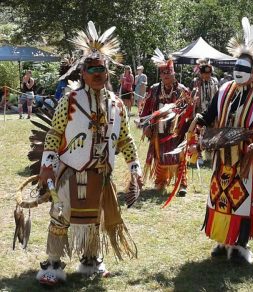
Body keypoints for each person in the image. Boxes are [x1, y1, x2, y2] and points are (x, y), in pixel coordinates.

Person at [36, 21, 142, 286]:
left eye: (101, 68)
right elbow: (54, 134)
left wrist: (135, 168)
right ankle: (53, 263)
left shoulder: (117, 105)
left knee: (95, 219)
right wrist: (47, 165)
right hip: (70, 170)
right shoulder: (70, 101)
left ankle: (90, 259)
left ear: (108, 72)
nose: (97, 73)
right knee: (61, 217)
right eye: (91, 68)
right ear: (82, 72)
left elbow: (126, 140)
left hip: (101, 173)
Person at [190, 17, 253, 263]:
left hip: (248, 161)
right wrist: (198, 120)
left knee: (242, 202)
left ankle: (240, 245)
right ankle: (222, 239)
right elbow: (210, 116)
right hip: (222, 159)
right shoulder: (224, 90)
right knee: (220, 199)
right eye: (236, 66)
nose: (238, 71)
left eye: (244, 68)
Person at [140, 48, 190, 197]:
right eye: (163, 73)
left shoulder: (182, 90)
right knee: (160, 155)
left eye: (169, 72)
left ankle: (182, 183)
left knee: (180, 156)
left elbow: (189, 111)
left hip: (177, 130)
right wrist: (146, 125)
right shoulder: (154, 89)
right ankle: (161, 181)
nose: (166, 75)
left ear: (174, 73)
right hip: (159, 130)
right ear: (160, 75)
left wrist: (186, 124)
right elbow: (146, 110)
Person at [191, 61, 218, 166]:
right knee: (198, 133)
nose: (207, 75)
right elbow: (191, 95)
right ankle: (198, 155)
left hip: (212, 112)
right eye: (205, 73)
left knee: (211, 132)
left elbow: (218, 94)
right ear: (200, 73)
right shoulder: (195, 82)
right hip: (199, 111)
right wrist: (194, 99)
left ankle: (210, 154)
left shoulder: (214, 81)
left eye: (209, 73)